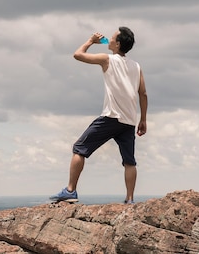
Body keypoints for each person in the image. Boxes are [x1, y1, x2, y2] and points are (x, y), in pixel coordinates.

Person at [50, 27, 148, 204]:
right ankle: (130, 199)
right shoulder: (136, 66)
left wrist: (91, 41)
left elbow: (77, 55)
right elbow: (143, 94)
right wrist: (143, 119)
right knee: (129, 161)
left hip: (111, 116)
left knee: (79, 148)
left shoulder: (107, 59)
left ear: (117, 44)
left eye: (111, 38)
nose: (108, 40)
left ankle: (70, 191)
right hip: (129, 120)